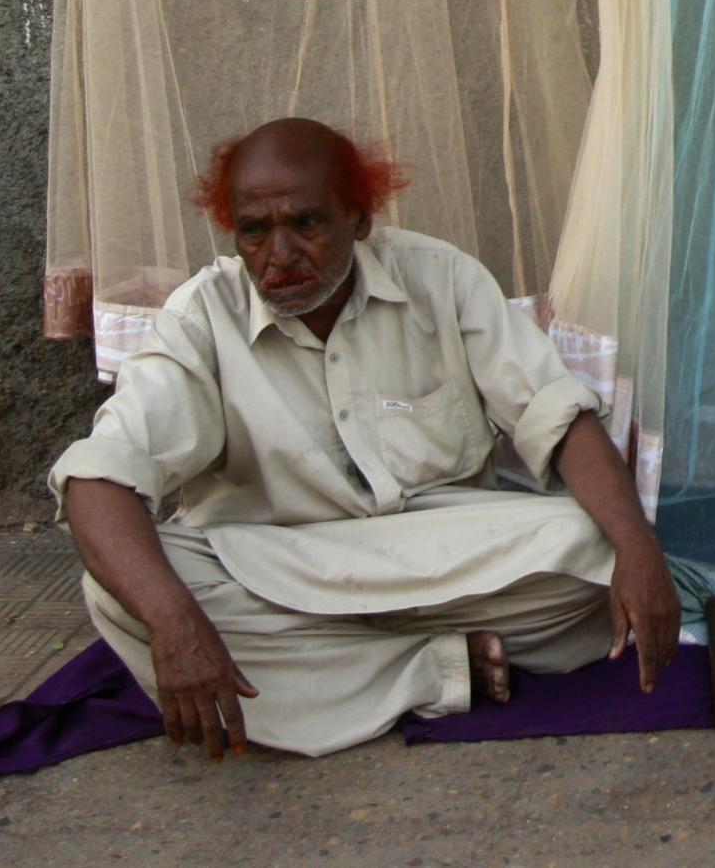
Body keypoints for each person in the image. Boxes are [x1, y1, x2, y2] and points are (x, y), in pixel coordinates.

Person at [50, 116, 681, 759]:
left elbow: (557, 415)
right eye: (256, 231)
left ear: (358, 219)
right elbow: (100, 477)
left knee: (592, 544)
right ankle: (433, 669)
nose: (281, 254)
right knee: (123, 590)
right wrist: (176, 623)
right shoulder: (201, 318)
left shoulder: (442, 279)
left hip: (438, 553)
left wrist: (637, 545)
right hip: (282, 566)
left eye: (307, 223)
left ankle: (332, 668)